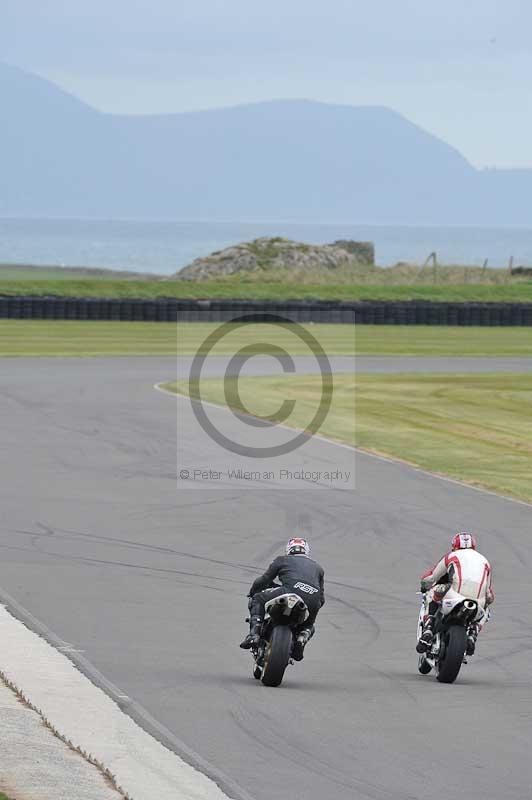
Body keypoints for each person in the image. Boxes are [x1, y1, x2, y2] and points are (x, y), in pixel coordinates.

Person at [240, 537, 325, 661]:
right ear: (306, 551)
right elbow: (322, 599)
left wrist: (253, 591)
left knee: (258, 599)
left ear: (288, 550)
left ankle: (254, 635)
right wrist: (313, 606)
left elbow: (264, 580)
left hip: (289, 591)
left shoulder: (282, 560)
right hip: (313, 600)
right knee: (309, 625)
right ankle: (302, 637)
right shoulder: (319, 568)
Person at [417, 532, 494, 656]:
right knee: (487, 610)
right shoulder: (485, 562)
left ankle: (428, 629)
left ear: (454, 546)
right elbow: (489, 595)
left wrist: (423, 586)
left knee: (433, 591)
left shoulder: (452, 556)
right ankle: (473, 634)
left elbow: (431, 577)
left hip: (455, 596)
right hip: (477, 602)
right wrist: (485, 602)